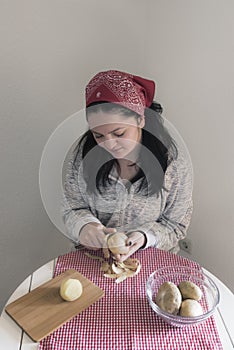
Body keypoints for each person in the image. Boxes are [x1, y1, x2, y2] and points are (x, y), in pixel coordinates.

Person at [62, 70, 193, 262]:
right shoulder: (82, 157)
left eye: (119, 133)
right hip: (94, 260)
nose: (109, 144)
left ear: (141, 120)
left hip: (152, 262)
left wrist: (144, 237)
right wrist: (84, 226)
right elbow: (71, 209)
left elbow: (176, 225)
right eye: (98, 135)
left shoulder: (173, 165)